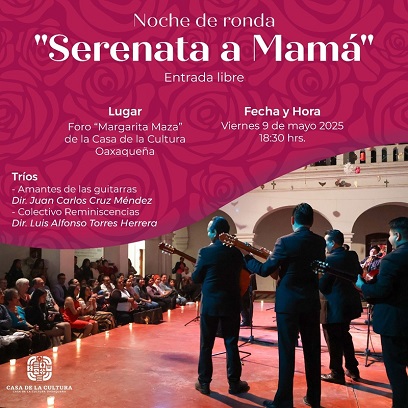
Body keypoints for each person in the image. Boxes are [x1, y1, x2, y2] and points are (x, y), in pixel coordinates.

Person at [244, 203, 325, 408]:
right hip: (310, 302)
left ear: (292, 220)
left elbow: (265, 270)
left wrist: (248, 259)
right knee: (312, 352)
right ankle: (313, 398)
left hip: (288, 305)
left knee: (287, 352)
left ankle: (284, 402)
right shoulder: (319, 242)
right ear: (311, 221)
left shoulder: (284, 241)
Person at [192, 216, 249, 396]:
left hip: (210, 305)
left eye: (209, 230)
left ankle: (204, 383)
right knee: (231, 344)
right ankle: (234, 383)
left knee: (206, 345)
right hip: (231, 303)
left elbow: (196, 278)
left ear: (215, 232)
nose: (208, 233)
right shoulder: (236, 253)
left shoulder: (205, 252)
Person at [356, 217, 408, 408]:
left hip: (395, 323)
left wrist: (362, 286)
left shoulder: (392, 259)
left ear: (397, 235)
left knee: (396, 370)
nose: (389, 238)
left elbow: (381, 291)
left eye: (390, 235)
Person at [319, 229, 363, 385]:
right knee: (345, 336)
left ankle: (336, 373)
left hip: (332, 307)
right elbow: (358, 272)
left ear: (332, 242)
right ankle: (352, 369)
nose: (325, 245)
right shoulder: (352, 256)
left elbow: (323, 286)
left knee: (333, 340)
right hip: (349, 305)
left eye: (326, 242)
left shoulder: (329, 260)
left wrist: (317, 276)